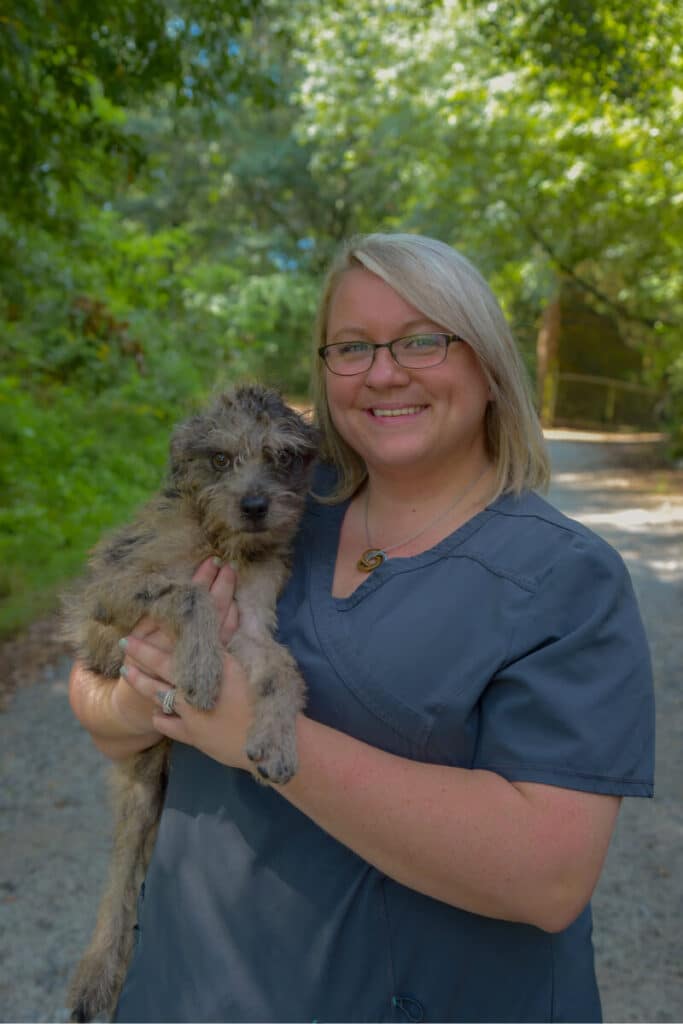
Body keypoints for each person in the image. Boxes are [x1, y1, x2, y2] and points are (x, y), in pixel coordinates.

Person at [69, 232, 655, 1023]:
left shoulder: (561, 579)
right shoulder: (274, 507)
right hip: (190, 990)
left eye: (421, 339)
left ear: (486, 365)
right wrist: (151, 703)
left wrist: (254, 732)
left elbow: (547, 877)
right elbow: (100, 692)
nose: (383, 372)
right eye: (352, 347)